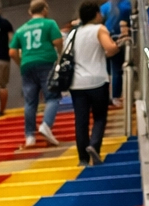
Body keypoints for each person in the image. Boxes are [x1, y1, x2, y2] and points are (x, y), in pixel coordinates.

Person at [68, 0, 121, 166]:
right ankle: (94, 145)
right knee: (99, 117)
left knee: (81, 121)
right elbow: (110, 48)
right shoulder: (99, 29)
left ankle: (83, 158)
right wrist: (117, 45)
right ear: (97, 14)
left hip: (76, 83)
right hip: (97, 80)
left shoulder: (73, 33)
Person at [11, 0, 64, 147]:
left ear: (30, 12)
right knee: (53, 97)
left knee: (30, 102)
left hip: (27, 65)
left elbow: (12, 52)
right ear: (45, 10)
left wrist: (21, 62)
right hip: (46, 62)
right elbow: (58, 41)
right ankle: (46, 125)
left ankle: (29, 136)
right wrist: (60, 57)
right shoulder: (50, 24)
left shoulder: (21, 29)